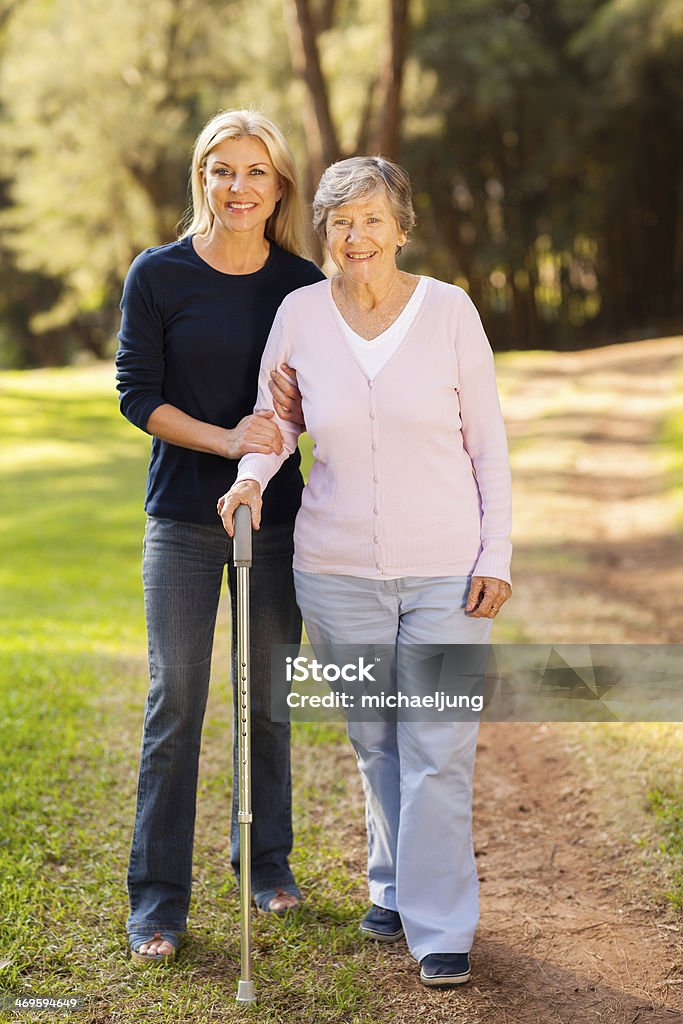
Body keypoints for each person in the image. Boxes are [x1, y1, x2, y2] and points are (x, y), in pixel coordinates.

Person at [218, 155, 512, 988]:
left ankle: (438, 924)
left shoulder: (449, 311)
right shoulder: (300, 314)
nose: (356, 236)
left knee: (439, 746)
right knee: (375, 737)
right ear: (323, 230)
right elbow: (275, 423)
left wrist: (497, 554)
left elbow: (487, 444)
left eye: (372, 219)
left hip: (447, 571)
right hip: (336, 568)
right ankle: (391, 883)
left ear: (401, 227)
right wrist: (247, 478)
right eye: (340, 221)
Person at [115, 109, 324, 963]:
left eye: (256, 172)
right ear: (201, 176)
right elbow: (138, 394)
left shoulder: (303, 283)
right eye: (222, 169)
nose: (238, 187)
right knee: (176, 706)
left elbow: (321, 395)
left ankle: (265, 863)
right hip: (182, 519)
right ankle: (158, 904)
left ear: (279, 187)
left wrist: (278, 435)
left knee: (267, 701)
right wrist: (228, 438)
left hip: (276, 524)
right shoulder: (157, 275)